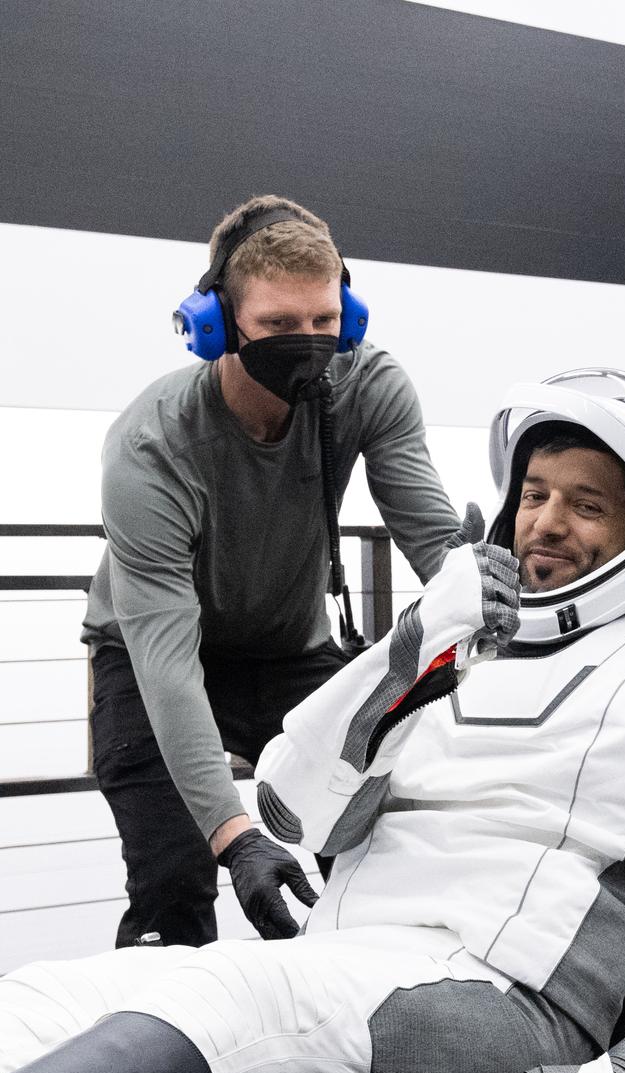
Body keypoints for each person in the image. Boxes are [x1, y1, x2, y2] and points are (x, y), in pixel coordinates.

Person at [0, 369, 625, 1073]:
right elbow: (287, 809)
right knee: (45, 998)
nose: (546, 522)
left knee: (219, 1000)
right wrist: (420, 635)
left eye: (587, 506)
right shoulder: (452, 656)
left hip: (500, 1008)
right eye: (535, 493)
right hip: (350, 969)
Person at [81, 195, 461, 949]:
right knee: (174, 884)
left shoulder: (369, 387)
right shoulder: (152, 445)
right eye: (279, 325)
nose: (309, 342)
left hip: (290, 652)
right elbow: (166, 662)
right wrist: (236, 836)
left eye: (324, 321)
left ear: (347, 315)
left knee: (369, 856)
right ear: (217, 324)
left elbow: (433, 542)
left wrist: (495, 595)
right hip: (153, 658)